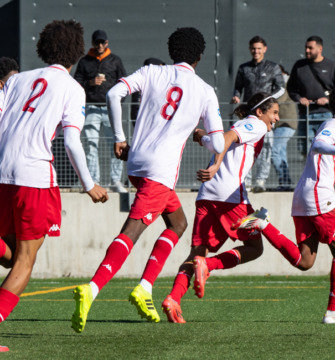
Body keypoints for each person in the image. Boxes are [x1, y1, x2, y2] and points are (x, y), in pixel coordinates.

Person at [71, 27, 225, 333]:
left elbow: (114, 93)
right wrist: (202, 138)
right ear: (199, 57)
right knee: (133, 229)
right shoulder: (205, 90)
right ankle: (92, 288)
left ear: (172, 51)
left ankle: (144, 287)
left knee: (178, 223)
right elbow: (219, 145)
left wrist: (119, 137)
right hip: (160, 170)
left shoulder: (153, 71)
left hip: (137, 160)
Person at [0, 19, 109, 339]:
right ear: (77, 51)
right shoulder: (73, 89)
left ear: (43, 47)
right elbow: (73, 142)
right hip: (34, 178)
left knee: (11, 255)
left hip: (3, 172)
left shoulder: (18, 80)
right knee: (24, 261)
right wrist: (90, 185)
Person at [233, 85, 335, 324]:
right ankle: (334, 311)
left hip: (306, 195)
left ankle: (263, 224)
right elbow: (319, 144)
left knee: (305, 261)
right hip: (318, 195)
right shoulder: (334, 125)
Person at [161, 93, 279, 323]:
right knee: (255, 247)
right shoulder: (256, 125)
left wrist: (202, 136)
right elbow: (228, 138)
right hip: (231, 197)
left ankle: (173, 298)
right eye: (274, 112)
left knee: (197, 252)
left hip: (207, 195)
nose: (276, 117)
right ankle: (209, 266)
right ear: (260, 112)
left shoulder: (246, 124)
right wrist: (215, 165)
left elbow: (219, 140)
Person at [74, 29, 127, 193]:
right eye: (97, 42)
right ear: (92, 43)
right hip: (91, 108)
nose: (99, 45)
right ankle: (94, 180)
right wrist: (91, 82)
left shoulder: (115, 60)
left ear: (107, 43)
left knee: (116, 145)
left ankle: (115, 181)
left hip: (110, 110)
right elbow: (76, 84)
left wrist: (117, 103)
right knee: (91, 145)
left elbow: (124, 83)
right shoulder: (84, 62)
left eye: (102, 42)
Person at [231, 36, 285, 192]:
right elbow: (237, 88)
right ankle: (245, 182)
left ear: (265, 49)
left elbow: (281, 88)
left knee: (266, 147)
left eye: (259, 48)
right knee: (246, 146)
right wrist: (236, 96)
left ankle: (260, 181)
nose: (256, 51)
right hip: (249, 115)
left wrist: (267, 101)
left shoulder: (273, 67)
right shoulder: (243, 68)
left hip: (266, 115)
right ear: (250, 49)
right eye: (253, 48)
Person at [287, 36, 335, 157]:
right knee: (305, 148)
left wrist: (328, 99)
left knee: (327, 146)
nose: (307, 50)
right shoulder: (299, 66)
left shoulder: (331, 66)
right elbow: (291, 88)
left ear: (320, 49)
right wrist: (300, 99)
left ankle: (329, 174)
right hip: (306, 113)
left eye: (311, 48)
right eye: (306, 48)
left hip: (325, 114)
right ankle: (312, 173)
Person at [271, 65, 297, 191]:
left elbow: (279, 99)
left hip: (286, 123)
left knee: (273, 150)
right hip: (282, 123)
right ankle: (286, 182)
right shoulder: (285, 83)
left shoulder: (285, 83)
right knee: (281, 153)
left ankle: (283, 181)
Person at [130, 57, 166, 124]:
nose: (163, 70)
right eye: (160, 68)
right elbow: (135, 109)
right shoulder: (140, 85)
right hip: (146, 123)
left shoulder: (166, 83)